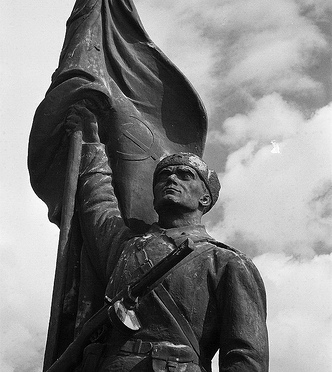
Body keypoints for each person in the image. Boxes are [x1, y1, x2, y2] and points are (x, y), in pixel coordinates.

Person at [66, 104, 269, 372]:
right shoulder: (126, 249)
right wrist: (91, 143)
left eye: (185, 176)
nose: (171, 178)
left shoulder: (227, 262)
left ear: (205, 197)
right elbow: (98, 203)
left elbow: (245, 357)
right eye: (163, 176)